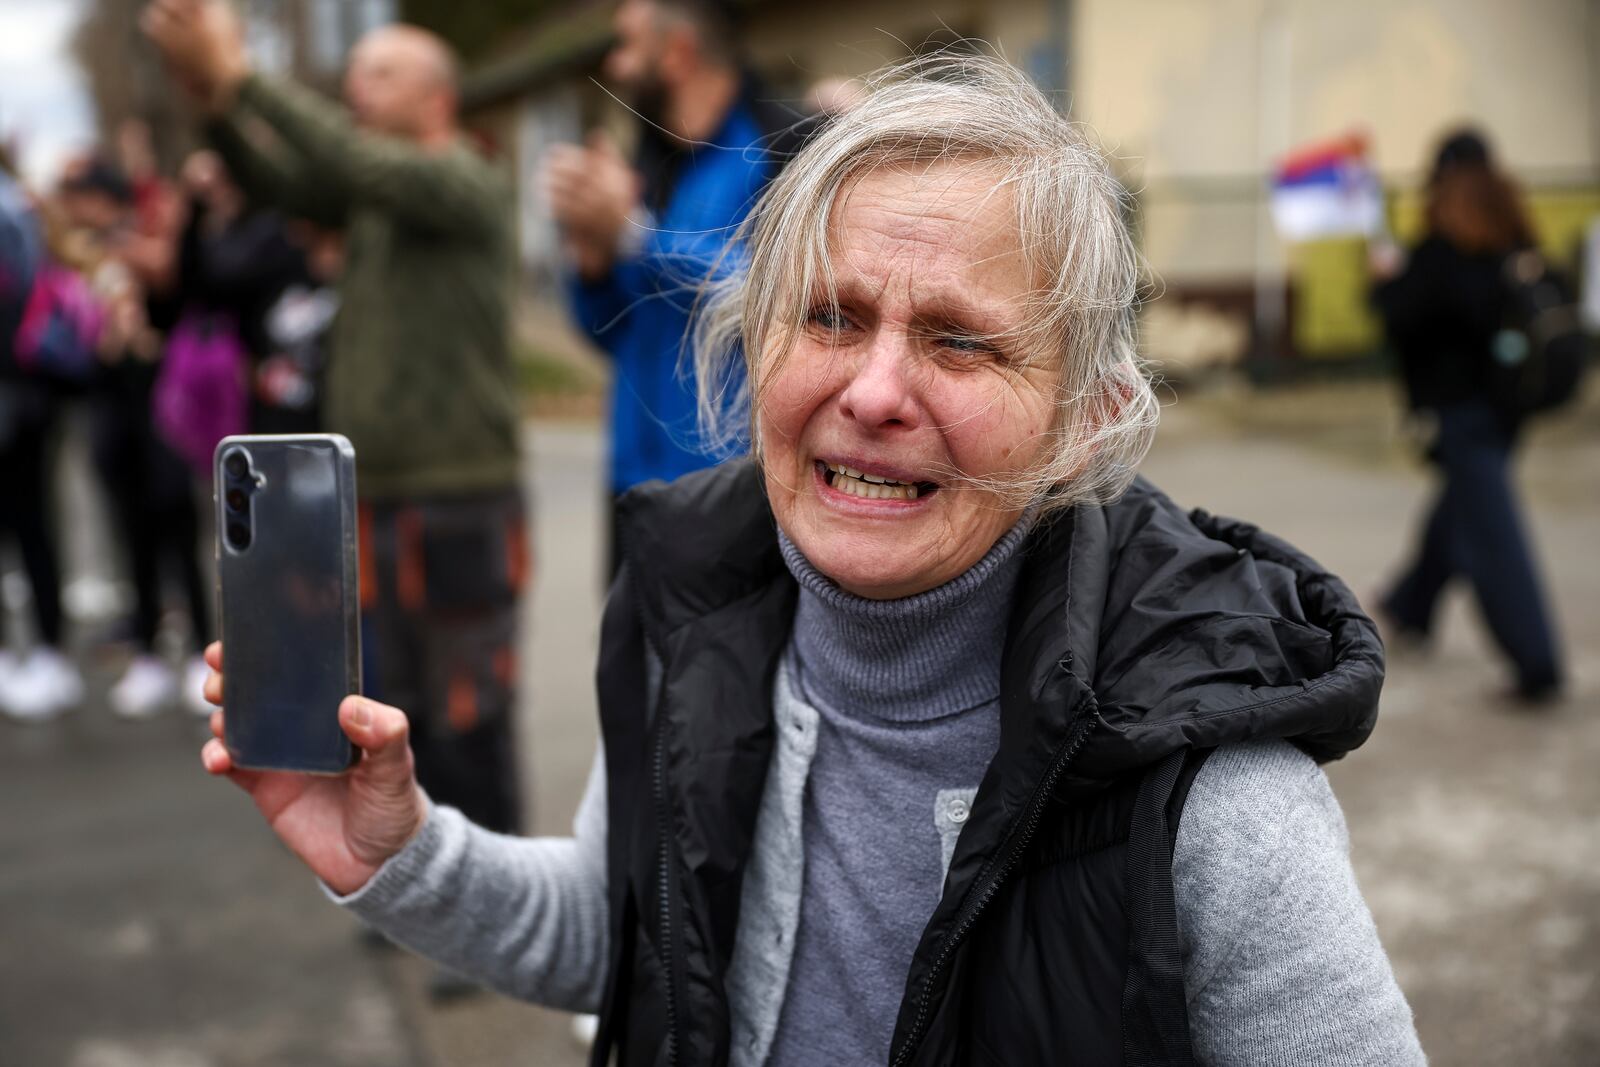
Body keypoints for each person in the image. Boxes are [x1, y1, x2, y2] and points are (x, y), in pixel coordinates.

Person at [196, 56, 1424, 1064]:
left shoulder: (1208, 794)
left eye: (959, 341)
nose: (873, 390)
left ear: (1083, 424)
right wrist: (397, 850)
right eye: (830, 318)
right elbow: (617, 928)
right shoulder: (694, 610)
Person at [145, 1, 528, 843]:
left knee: (467, 700)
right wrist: (214, 95)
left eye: (381, 71)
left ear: (437, 96)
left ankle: (494, 886)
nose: (357, 82)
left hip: (458, 490)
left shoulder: (461, 178)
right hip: (377, 488)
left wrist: (243, 74)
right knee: (393, 703)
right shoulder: (376, 201)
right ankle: (421, 873)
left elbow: (346, 161)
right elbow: (286, 181)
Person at [542, 0, 780, 575]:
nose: (616, 66)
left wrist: (635, 238)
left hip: (730, 488)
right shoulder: (653, 165)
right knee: (629, 663)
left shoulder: (781, 147)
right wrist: (594, 261)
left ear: (677, 53)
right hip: (630, 480)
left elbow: (775, 297)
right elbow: (614, 334)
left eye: (627, 44)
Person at [1371, 128, 1563, 702]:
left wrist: (1383, 281)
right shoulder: (1514, 235)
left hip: (1464, 413)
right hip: (1510, 408)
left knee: (1490, 534)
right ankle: (1413, 604)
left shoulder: (1441, 250)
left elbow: (1400, 318)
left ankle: (1538, 664)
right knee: (1462, 507)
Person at [0, 160, 85, 721]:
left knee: (31, 528)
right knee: (36, 528)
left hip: (20, 402)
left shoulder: (13, 218)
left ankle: (44, 654)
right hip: (30, 401)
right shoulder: (20, 212)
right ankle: (45, 653)